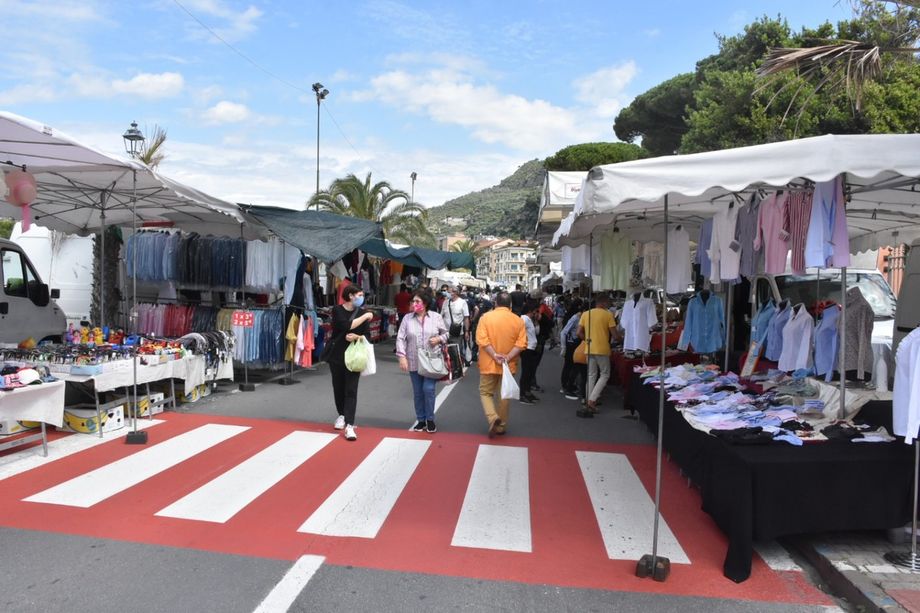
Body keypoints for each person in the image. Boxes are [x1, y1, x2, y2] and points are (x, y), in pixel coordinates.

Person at [396, 289, 448, 433]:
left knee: (428, 389)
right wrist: (402, 356)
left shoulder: (436, 317)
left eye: (417, 301)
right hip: (413, 359)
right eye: (413, 301)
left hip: (431, 360)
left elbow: (446, 334)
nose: (414, 304)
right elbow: (400, 337)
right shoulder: (407, 318)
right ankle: (421, 420)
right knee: (418, 392)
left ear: (425, 303)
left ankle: (430, 419)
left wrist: (439, 338)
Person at [475, 291, 527, 437]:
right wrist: (507, 357)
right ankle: (501, 426)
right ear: (510, 305)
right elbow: (522, 343)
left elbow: (482, 339)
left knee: (485, 392)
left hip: (488, 363)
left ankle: (493, 417)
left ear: (495, 303)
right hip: (508, 365)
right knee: (504, 394)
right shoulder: (518, 320)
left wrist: (494, 355)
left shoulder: (485, 318)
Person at [327, 285, 373, 440]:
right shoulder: (337, 310)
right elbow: (345, 326)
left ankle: (350, 424)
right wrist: (366, 316)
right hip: (337, 356)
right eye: (359, 295)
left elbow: (368, 335)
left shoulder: (362, 312)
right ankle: (341, 414)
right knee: (338, 388)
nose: (361, 298)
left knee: (351, 390)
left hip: (355, 356)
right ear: (351, 296)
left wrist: (357, 337)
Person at [578, 293, 618, 415]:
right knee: (605, 374)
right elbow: (615, 335)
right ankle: (592, 400)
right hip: (602, 349)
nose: (609, 305)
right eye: (608, 302)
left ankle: (588, 400)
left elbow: (578, 332)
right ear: (604, 302)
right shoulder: (608, 315)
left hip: (589, 348)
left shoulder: (586, 314)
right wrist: (621, 339)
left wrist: (586, 340)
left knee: (591, 375)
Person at [560, 300, 586, 401]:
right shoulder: (575, 318)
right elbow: (564, 332)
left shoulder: (582, 318)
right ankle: (566, 387)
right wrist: (564, 347)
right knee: (569, 365)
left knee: (574, 366)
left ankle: (569, 385)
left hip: (576, 344)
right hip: (571, 344)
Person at [518, 300, 540, 404]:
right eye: (536, 311)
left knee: (530, 372)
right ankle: (522, 394)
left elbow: (537, 332)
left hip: (531, 348)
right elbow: (518, 330)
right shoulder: (524, 319)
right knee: (526, 372)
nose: (537, 313)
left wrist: (536, 321)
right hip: (527, 349)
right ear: (531, 311)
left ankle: (527, 392)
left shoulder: (530, 320)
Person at [441, 284, 471, 362]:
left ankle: (457, 369)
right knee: (445, 353)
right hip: (445, 332)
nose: (448, 293)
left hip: (457, 333)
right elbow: (441, 316)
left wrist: (467, 331)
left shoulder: (462, 302)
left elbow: (466, 317)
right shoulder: (446, 302)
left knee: (456, 353)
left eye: (449, 292)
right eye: (448, 292)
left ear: (455, 293)